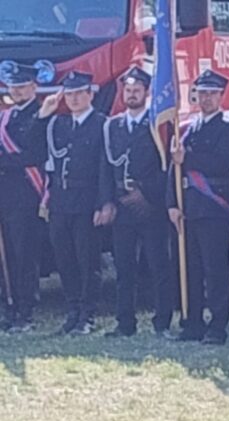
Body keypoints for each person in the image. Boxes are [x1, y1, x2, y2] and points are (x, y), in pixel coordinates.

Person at [167, 68, 229, 345]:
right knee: (191, 269)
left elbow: (222, 163)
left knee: (215, 270)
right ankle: (193, 322)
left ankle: (217, 325)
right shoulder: (187, 128)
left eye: (212, 94)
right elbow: (173, 171)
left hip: (213, 206)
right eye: (202, 93)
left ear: (222, 96)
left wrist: (187, 157)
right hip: (188, 207)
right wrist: (172, 204)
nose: (206, 98)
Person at [37, 71, 115, 336]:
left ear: (90, 94)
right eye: (68, 94)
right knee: (65, 258)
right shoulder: (57, 124)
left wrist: (104, 203)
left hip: (86, 200)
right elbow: (41, 152)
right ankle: (73, 310)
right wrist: (44, 113)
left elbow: (105, 167)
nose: (73, 99)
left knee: (87, 259)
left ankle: (87, 314)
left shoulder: (102, 123)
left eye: (79, 93)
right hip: (61, 200)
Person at [104, 67, 174, 338]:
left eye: (136, 91)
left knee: (159, 266)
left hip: (150, 206)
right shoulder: (113, 125)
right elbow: (106, 167)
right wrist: (108, 201)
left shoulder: (159, 125)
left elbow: (166, 167)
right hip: (123, 206)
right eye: (127, 91)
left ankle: (163, 322)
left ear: (147, 93)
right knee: (124, 267)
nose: (131, 95)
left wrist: (145, 193)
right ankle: (125, 323)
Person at [0, 63, 47, 333]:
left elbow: (32, 154)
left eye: (22, 86)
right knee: (6, 257)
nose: (17, 91)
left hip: (26, 196)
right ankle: (11, 305)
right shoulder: (6, 117)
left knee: (24, 255)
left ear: (33, 87)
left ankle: (25, 309)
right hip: (4, 196)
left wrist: (5, 161)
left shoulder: (40, 115)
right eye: (13, 87)